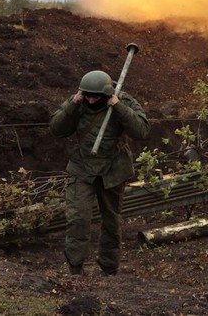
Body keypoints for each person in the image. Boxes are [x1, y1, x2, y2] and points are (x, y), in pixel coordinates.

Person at [49, 69, 150, 276]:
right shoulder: (77, 102)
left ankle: (109, 267)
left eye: (96, 97)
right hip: (82, 168)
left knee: (111, 220)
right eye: (87, 95)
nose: (91, 100)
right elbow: (56, 129)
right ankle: (75, 268)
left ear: (106, 93)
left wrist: (118, 107)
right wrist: (72, 104)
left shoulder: (123, 101)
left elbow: (141, 131)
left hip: (113, 169)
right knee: (78, 218)